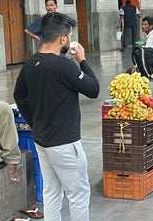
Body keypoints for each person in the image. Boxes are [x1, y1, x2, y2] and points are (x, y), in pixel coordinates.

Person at [14, 12, 100, 221]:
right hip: (65, 142)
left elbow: (19, 95)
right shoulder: (64, 66)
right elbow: (93, 89)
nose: (69, 40)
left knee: (52, 192)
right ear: (62, 39)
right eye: (69, 36)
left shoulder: (31, 64)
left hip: (42, 140)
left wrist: (35, 121)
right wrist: (82, 60)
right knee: (78, 194)